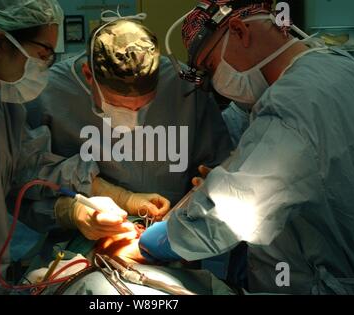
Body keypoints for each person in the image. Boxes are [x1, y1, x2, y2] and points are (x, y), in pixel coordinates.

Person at [0, 0, 150, 295]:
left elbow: (26, 167)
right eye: (43, 54)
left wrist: (86, 209)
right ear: (0, 42)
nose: (47, 65)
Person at [139, 0, 354, 295]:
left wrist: (167, 237)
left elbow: (236, 212)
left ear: (240, 31)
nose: (216, 81)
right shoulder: (337, 64)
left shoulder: (294, 103)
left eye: (211, 66)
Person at [26, 15, 233, 233]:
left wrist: (202, 198)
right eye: (117, 104)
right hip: (81, 246)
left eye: (144, 105)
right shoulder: (48, 94)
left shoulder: (183, 86)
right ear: (89, 75)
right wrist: (71, 214)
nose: (132, 118)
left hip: (173, 238)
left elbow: (217, 167)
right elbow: (25, 180)